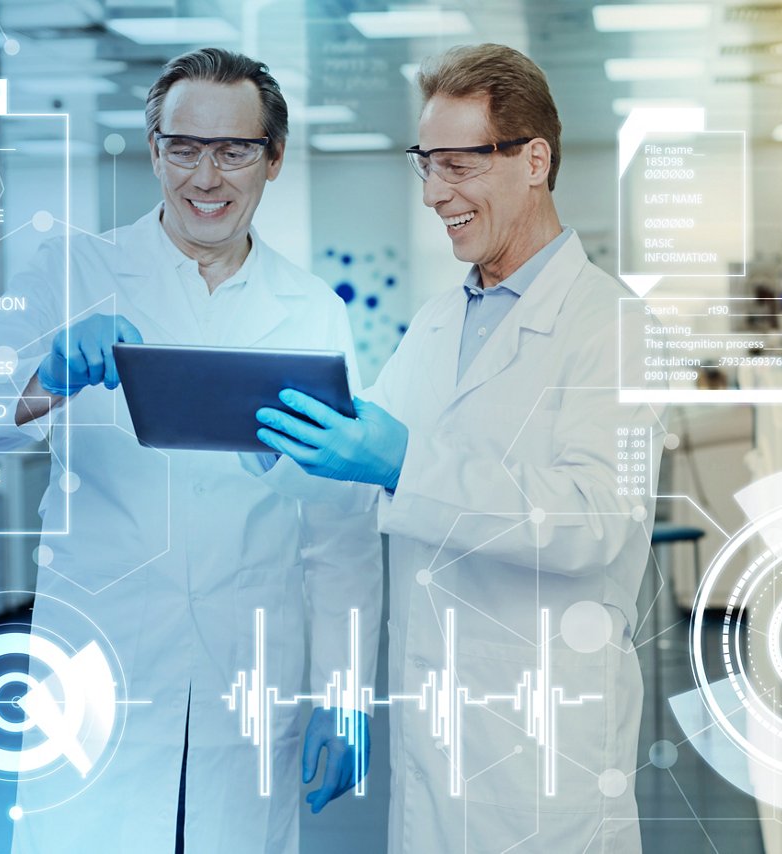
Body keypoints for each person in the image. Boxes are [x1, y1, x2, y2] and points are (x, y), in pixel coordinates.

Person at [0, 47, 381, 853]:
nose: (205, 177)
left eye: (234, 149)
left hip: (249, 676)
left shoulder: (311, 311)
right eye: (183, 147)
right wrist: (45, 373)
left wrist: (345, 692)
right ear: (154, 152)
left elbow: (340, 531)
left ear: (273, 159)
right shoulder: (74, 271)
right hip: (99, 672)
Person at [255, 43, 662, 853]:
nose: (437, 193)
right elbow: (364, 483)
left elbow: (594, 520)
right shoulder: (441, 320)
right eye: (426, 165)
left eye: (458, 165)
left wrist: (403, 462)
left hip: (542, 742)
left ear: (534, 159)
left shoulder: (610, 327)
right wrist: (268, 434)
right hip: (434, 730)